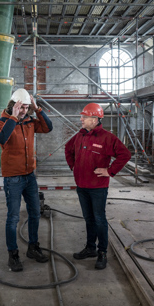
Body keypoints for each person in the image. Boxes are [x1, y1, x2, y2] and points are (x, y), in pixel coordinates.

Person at [65, 103, 131, 270]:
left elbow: (125, 154)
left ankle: (102, 252)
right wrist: (73, 166)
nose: (81, 119)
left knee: (99, 219)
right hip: (82, 186)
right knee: (89, 219)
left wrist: (110, 171)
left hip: (97, 188)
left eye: (84, 117)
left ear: (94, 120)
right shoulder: (80, 136)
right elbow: (68, 148)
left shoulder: (107, 138)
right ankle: (90, 248)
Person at [0, 88, 53, 272]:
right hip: (13, 178)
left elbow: (48, 127)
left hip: (29, 176)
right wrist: (13, 117)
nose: (24, 111)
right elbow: (2, 138)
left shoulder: (30, 121)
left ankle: (33, 247)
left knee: (35, 213)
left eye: (26, 107)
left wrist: (37, 109)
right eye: (21, 107)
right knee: (12, 218)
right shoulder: (2, 122)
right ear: (13, 105)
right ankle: (13, 255)